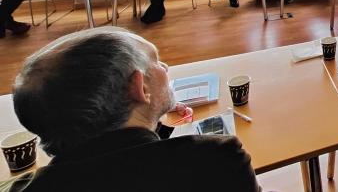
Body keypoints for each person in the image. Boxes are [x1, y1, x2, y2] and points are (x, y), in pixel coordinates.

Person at [11, 27, 259, 192]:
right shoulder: (215, 160)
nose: (164, 66)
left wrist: (154, 118)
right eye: (156, 61)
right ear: (139, 88)